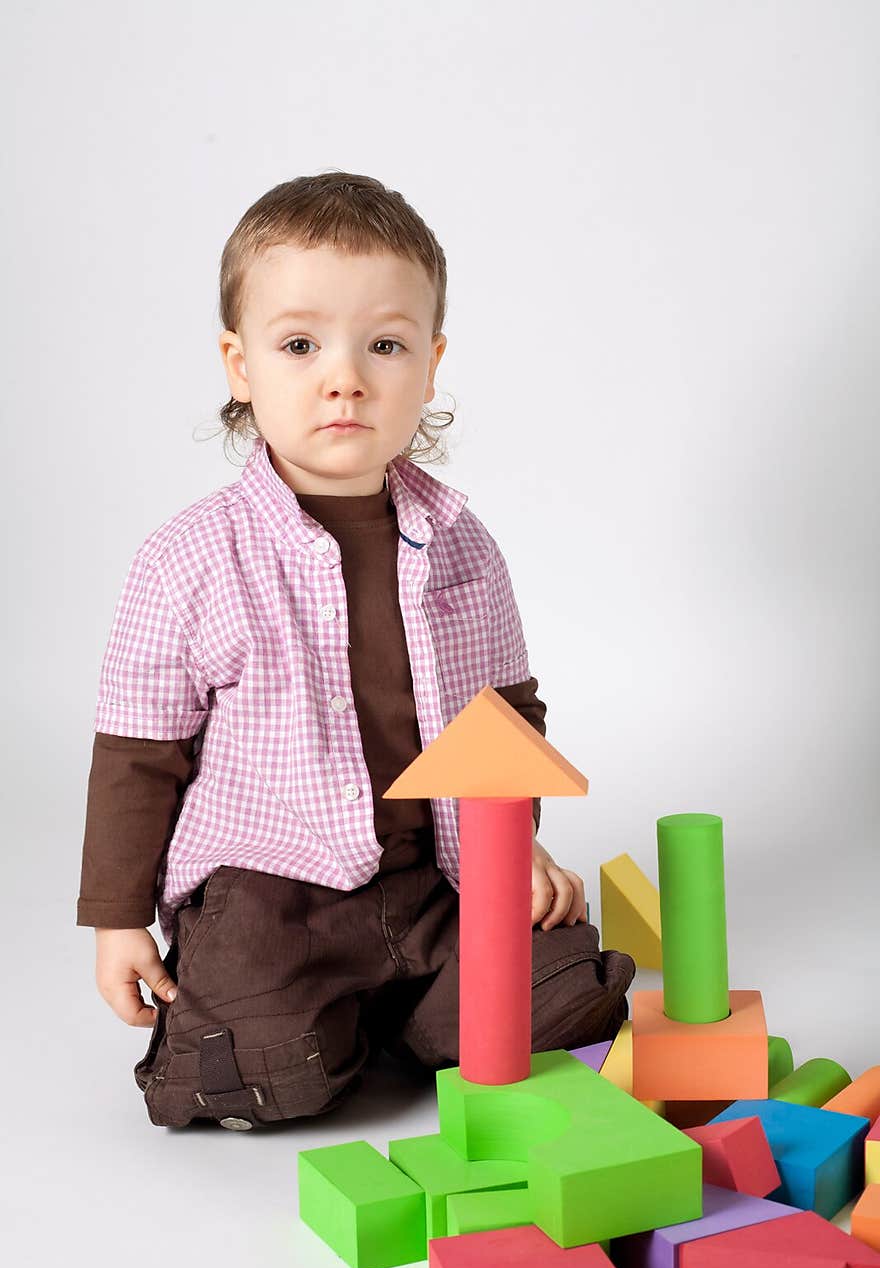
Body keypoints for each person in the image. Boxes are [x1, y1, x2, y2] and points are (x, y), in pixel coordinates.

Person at [76, 171, 635, 1130]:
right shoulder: (190, 559)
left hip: (432, 879)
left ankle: (410, 1010)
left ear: (430, 362)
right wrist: (119, 920)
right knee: (263, 1074)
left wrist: (519, 846)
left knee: (571, 987)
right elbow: (139, 752)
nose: (346, 377)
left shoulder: (462, 543)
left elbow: (506, 722)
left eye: (385, 344)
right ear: (240, 364)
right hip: (271, 895)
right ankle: (322, 1020)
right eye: (300, 344)